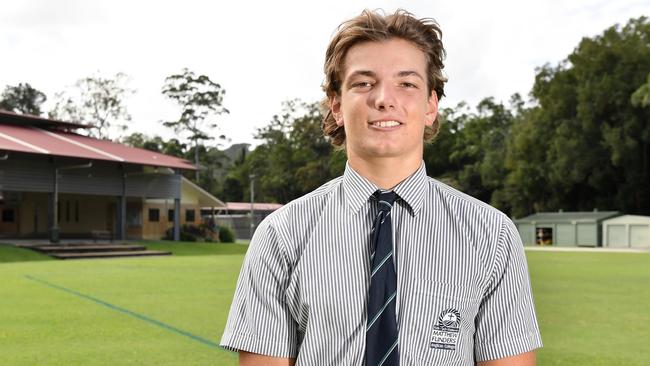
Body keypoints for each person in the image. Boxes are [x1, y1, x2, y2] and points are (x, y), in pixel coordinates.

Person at [221, 9, 542, 366]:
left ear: (431, 105)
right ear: (337, 104)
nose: (384, 99)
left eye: (406, 83)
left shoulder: (491, 234)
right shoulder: (281, 236)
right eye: (363, 82)